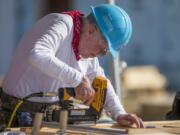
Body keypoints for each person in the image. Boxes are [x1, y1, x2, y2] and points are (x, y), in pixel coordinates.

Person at [0, 4, 144, 128]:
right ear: (91, 31)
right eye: (104, 48)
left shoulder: (84, 45)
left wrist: (119, 113)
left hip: (49, 112)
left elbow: (99, 79)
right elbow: (37, 54)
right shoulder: (61, 25)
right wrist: (78, 79)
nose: (102, 54)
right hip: (16, 111)